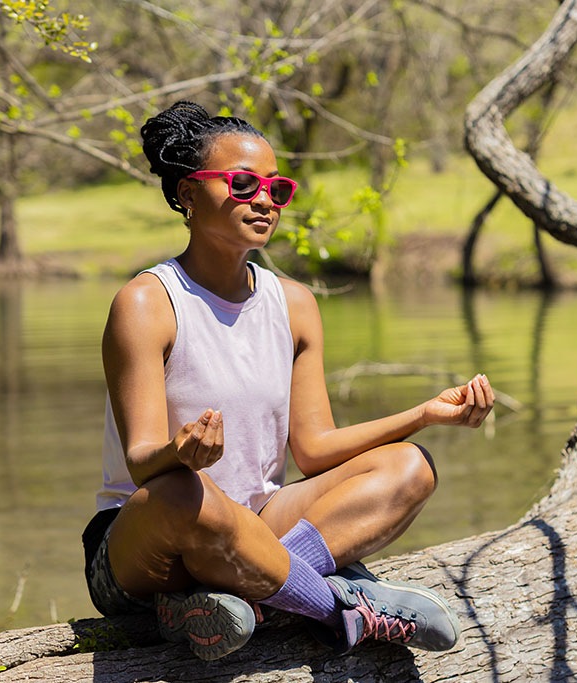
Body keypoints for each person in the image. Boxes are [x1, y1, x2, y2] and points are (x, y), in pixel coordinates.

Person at [82, 100, 495, 662]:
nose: (264, 201)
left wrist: (423, 415)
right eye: (244, 183)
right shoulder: (146, 303)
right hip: (146, 540)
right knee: (185, 491)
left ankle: (240, 599)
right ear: (187, 193)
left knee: (408, 466)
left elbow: (314, 449)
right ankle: (335, 606)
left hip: (255, 524)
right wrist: (180, 453)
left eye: (276, 190)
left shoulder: (294, 304)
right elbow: (141, 461)